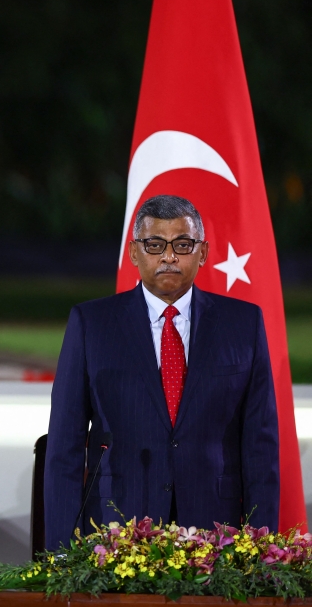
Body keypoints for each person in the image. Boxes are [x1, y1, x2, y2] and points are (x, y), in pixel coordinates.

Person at [44, 195, 279, 550]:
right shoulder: (91, 324)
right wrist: (60, 553)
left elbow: (260, 447)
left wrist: (263, 551)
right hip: (115, 529)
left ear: (202, 252)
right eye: (155, 245)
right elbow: (65, 445)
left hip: (216, 532)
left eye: (182, 245)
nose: (169, 257)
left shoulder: (243, 324)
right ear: (135, 252)